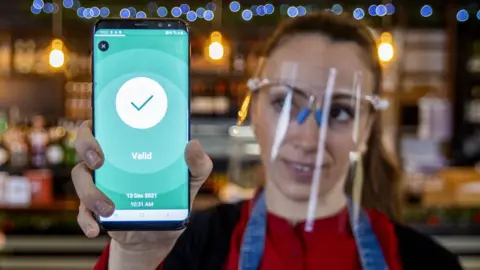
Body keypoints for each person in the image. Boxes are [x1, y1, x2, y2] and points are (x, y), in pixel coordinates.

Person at [72, 13, 462, 270]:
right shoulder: (188, 249)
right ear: (254, 110)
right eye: (284, 102)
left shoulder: (429, 264)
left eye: (341, 111)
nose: (309, 137)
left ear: (367, 126)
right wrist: (136, 253)